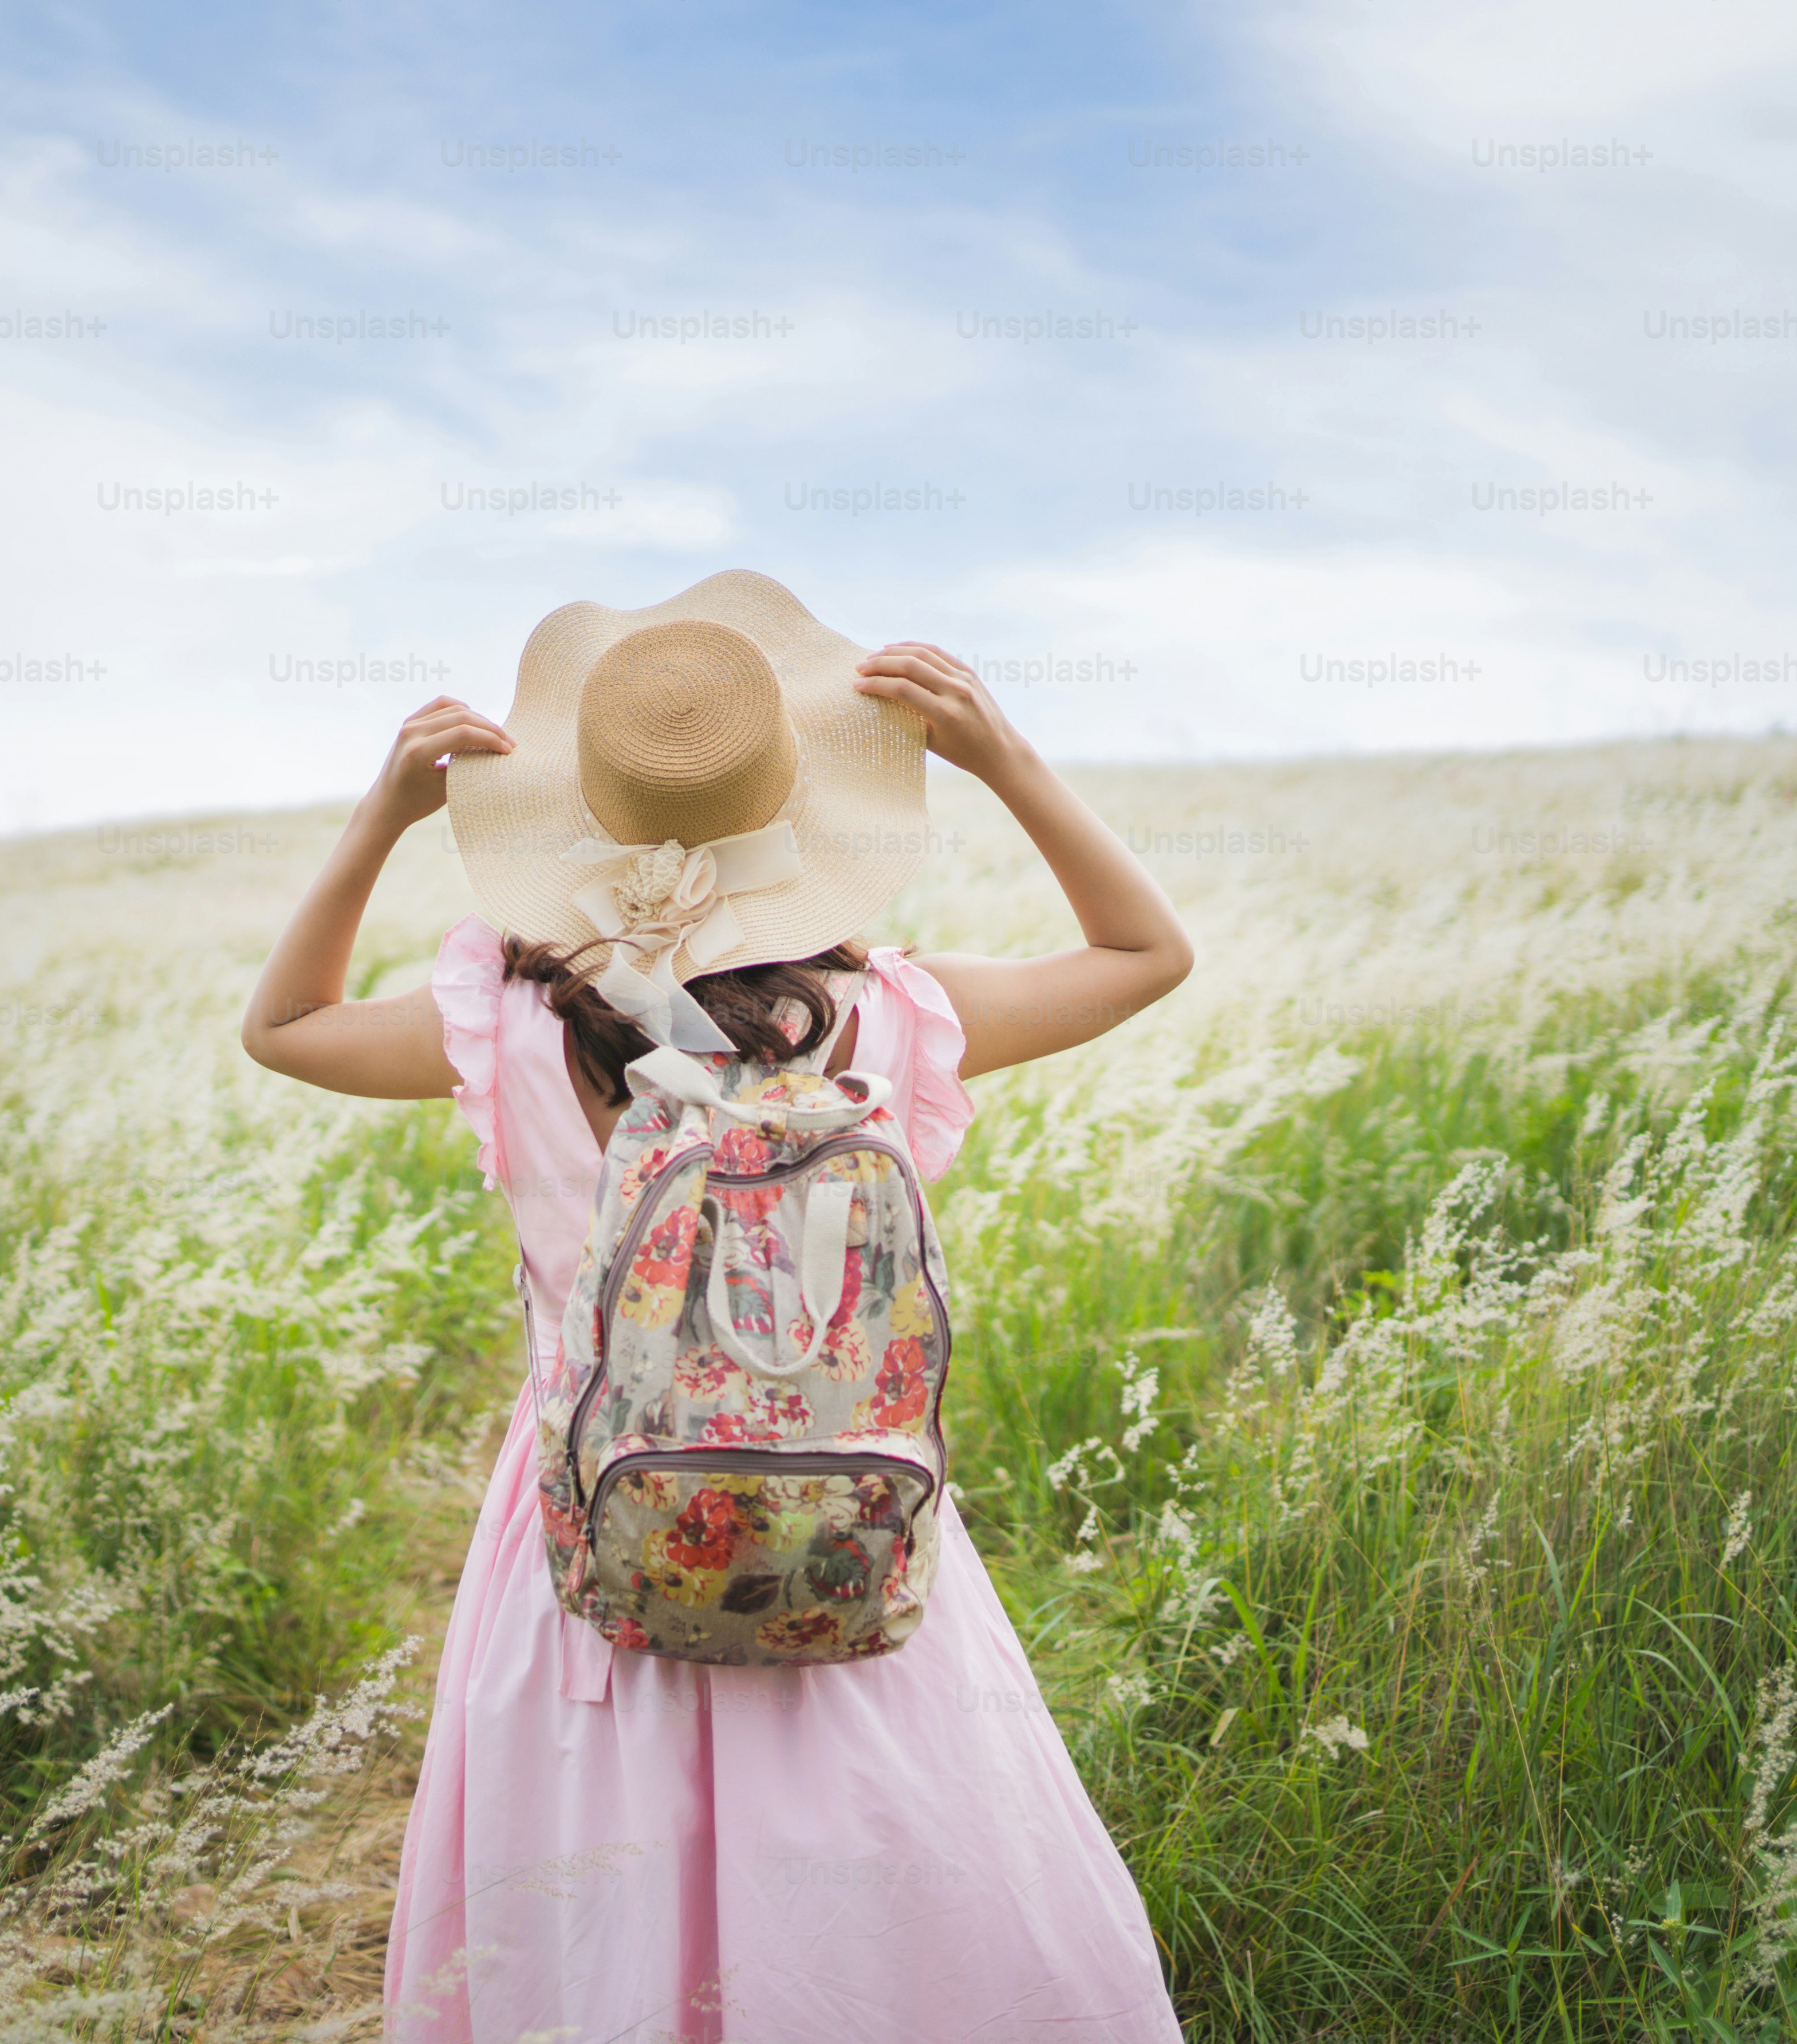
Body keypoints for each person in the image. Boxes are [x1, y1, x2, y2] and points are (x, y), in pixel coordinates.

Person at [239, 570, 1193, 2041]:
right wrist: (1005, 758)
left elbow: (283, 1027)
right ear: (801, 818)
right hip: (833, 1495)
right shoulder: (881, 1018)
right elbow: (1149, 953)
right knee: (872, 1849)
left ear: (579, 815)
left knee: (599, 1876)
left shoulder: (506, 1018)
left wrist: (381, 815)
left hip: (596, 1517)